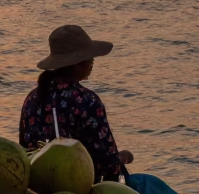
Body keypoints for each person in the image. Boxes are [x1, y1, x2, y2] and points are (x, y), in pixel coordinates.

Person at [19, 24, 134, 179]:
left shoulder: (32, 99)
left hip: (38, 184)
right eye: (91, 59)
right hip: (80, 186)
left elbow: (24, 150)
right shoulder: (87, 100)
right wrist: (122, 157)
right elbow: (108, 163)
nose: (92, 63)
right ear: (79, 64)